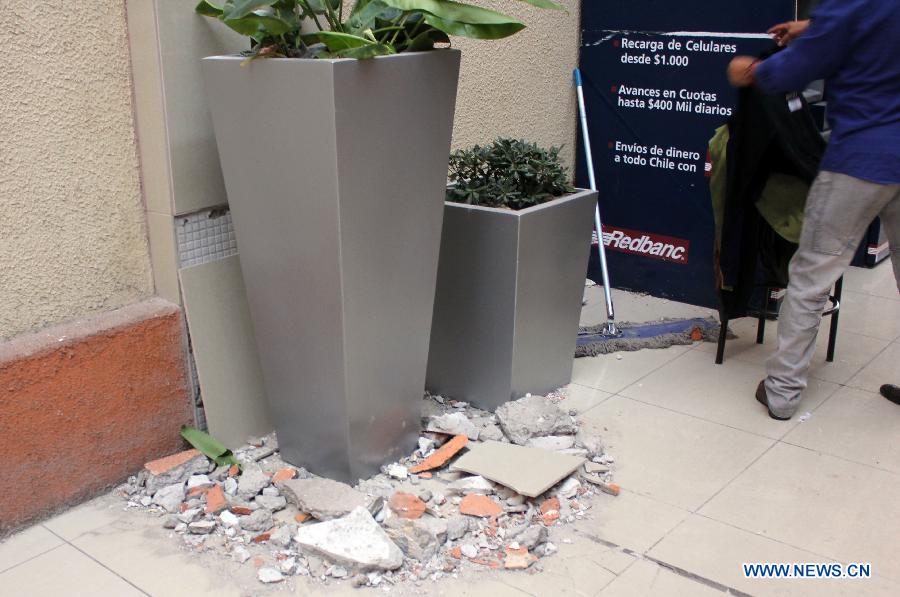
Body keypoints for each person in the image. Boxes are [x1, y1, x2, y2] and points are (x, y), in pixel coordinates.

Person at [726, 0, 900, 420]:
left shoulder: (850, 6)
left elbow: (786, 73)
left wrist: (746, 69)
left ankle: (782, 393)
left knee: (811, 275)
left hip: (861, 161)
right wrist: (813, 25)